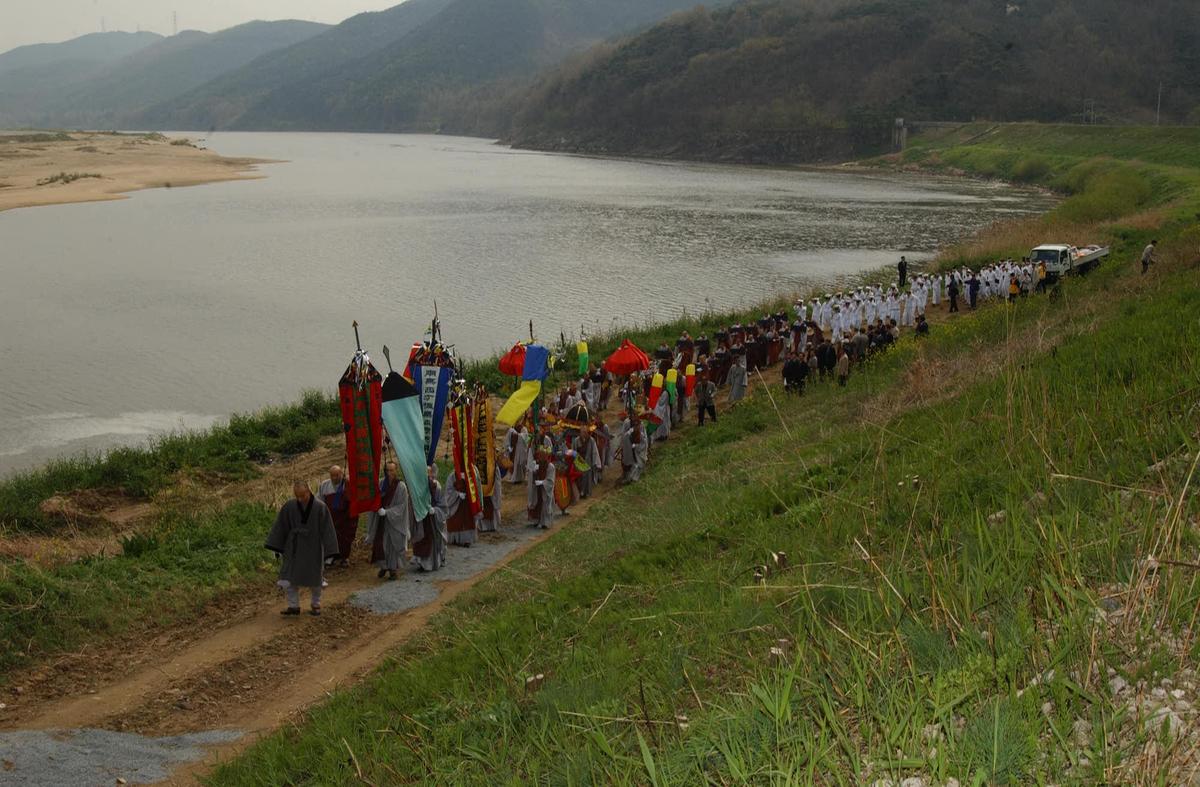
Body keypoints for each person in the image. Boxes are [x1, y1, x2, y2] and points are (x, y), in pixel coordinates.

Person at [265, 480, 339, 616]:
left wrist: (330, 551)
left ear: (309, 492)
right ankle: (293, 606)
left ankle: (316, 604)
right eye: (297, 496)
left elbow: (327, 529)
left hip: (314, 547)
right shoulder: (289, 506)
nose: (299, 499)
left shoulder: (320, 507)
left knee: (315, 578)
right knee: (289, 577)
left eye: (302, 495)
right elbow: (281, 526)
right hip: (293, 547)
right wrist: (277, 545)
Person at [365, 461, 410, 581]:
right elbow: (375, 499)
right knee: (381, 544)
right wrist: (377, 508)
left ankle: (393, 569)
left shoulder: (401, 486)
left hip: (394, 521)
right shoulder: (381, 483)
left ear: (396, 470)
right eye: (387, 470)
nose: (389, 473)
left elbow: (402, 506)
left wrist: (387, 512)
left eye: (391, 470)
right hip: (381, 520)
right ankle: (384, 566)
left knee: (392, 545)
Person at [318, 465, 357, 568]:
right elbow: (320, 501)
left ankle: (345, 558)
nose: (334, 478)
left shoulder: (347, 484)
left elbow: (353, 500)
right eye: (332, 476)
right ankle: (330, 557)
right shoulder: (324, 485)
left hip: (345, 518)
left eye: (337, 475)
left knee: (345, 538)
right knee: (330, 537)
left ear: (341, 474)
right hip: (330, 517)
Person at [411, 466, 447, 572]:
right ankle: (421, 563)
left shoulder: (436, 485)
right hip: (421, 518)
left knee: (433, 540)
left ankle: (433, 562)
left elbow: (442, 504)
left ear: (430, 473)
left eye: (427, 472)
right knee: (421, 540)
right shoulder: (417, 486)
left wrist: (435, 510)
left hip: (433, 519)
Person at [443, 467, 480, 547]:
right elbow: (448, 491)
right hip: (456, 504)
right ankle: (455, 539)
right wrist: (457, 494)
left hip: (467, 504)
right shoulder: (452, 476)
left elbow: (476, 487)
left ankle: (467, 540)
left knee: (467, 521)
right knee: (456, 521)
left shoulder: (471, 473)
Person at [526, 446, 557, 528]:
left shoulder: (550, 467)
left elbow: (551, 481)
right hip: (536, 489)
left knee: (544, 504)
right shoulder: (535, 464)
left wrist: (542, 482)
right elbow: (530, 474)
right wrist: (533, 473)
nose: (541, 457)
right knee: (535, 502)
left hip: (544, 490)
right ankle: (535, 520)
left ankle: (545, 523)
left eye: (543, 455)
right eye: (539, 455)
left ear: (547, 456)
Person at [619, 413, 648, 483]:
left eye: (635, 416)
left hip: (639, 451)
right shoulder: (627, 423)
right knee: (628, 463)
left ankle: (632, 478)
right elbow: (624, 436)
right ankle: (627, 477)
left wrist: (636, 446)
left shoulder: (641, 426)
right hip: (629, 449)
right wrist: (630, 433)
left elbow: (644, 442)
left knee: (637, 465)